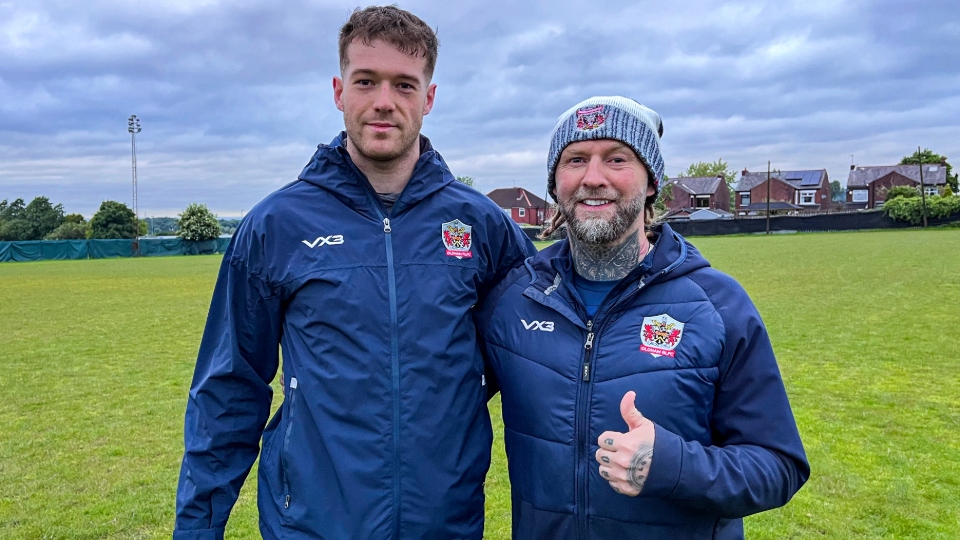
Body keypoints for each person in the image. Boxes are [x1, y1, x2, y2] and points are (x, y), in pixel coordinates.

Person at [173, 7, 535, 540]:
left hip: (444, 522)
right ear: (340, 91)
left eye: (404, 85)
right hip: (312, 523)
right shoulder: (276, 225)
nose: (384, 101)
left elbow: (541, 352)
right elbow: (230, 389)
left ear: (428, 98)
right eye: (367, 81)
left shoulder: (481, 225)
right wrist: (197, 528)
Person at [477, 96, 809, 539]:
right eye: (575, 160)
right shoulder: (515, 300)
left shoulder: (717, 304)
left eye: (617, 159)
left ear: (651, 182)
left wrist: (672, 465)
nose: (593, 178)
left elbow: (778, 465)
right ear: (555, 183)